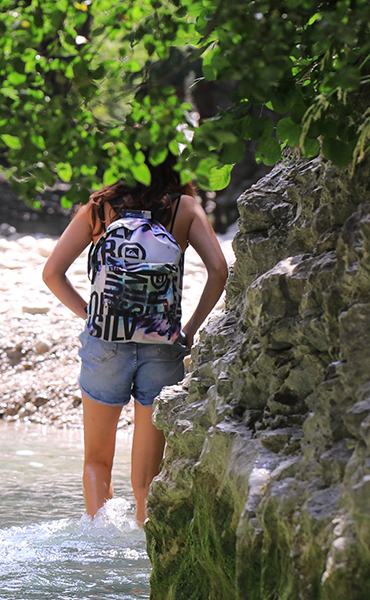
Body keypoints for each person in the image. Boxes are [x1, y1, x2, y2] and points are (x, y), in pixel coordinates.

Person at [41, 161, 228, 523]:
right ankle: (144, 554)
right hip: (162, 343)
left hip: (105, 341)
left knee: (97, 461)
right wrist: (187, 329)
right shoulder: (184, 208)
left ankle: (100, 548)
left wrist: (92, 315)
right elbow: (219, 271)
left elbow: (52, 273)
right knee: (146, 478)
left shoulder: (100, 207)